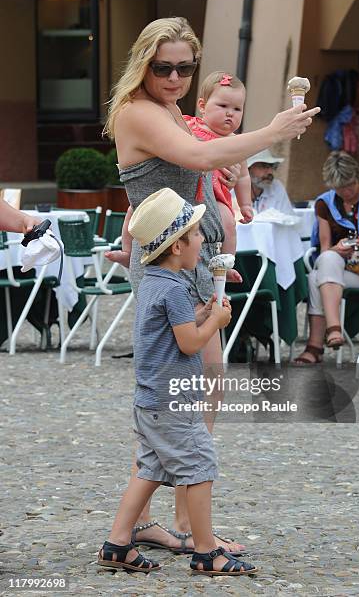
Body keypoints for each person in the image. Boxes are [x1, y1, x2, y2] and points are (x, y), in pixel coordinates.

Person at [103, 16, 320, 552]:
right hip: (167, 268)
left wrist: (218, 253)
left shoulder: (172, 110)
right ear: (142, 64)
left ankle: (156, 521)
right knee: (187, 392)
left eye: (184, 68)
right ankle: (178, 525)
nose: (175, 78)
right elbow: (199, 158)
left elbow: (202, 173)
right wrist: (273, 132)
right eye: (163, 68)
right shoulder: (138, 112)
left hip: (195, 263)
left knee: (192, 391)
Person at [98, 188, 258, 577]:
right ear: (175, 247)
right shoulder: (173, 289)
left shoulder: (153, 282)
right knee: (200, 466)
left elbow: (174, 331)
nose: (202, 240)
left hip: (149, 401)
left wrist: (202, 312)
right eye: (197, 234)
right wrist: (216, 323)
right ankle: (206, 551)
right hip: (175, 403)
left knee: (150, 469)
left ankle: (118, 543)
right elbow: (188, 343)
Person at [295, 150, 359, 365]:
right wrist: (338, 248)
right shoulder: (325, 204)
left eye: (350, 184)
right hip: (340, 270)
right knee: (325, 263)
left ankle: (316, 345)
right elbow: (325, 249)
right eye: (340, 188)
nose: (347, 191)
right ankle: (332, 331)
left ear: (357, 176)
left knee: (316, 277)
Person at [184, 71, 253, 259]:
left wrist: (245, 204)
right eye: (223, 106)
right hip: (183, 191)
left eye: (237, 109)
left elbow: (244, 176)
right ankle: (127, 249)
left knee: (229, 223)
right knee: (137, 207)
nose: (230, 113)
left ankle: (225, 263)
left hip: (216, 198)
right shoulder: (189, 128)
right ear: (202, 106)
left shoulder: (237, 143)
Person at [247, 149, 294, 215]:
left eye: (271, 166)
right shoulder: (234, 190)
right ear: (248, 169)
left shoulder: (276, 187)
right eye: (263, 166)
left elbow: (288, 218)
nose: (270, 172)